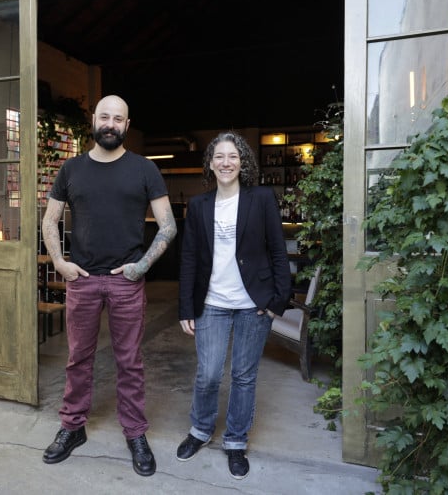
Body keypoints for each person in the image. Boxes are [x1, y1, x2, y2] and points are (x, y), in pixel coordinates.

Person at [40, 95, 177, 477]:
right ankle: (72, 427)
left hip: (125, 283)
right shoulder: (72, 169)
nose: (111, 124)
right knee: (77, 359)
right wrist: (60, 263)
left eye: (118, 119)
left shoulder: (144, 169)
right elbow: (50, 220)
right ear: (94, 121)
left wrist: (142, 266)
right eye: (105, 117)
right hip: (82, 281)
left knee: (129, 362)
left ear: (127, 126)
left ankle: (135, 433)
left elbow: (168, 225)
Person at [176, 131, 291, 480]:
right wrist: (185, 306)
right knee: (208, 373)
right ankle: (200, 430)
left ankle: (236, 441)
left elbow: (278, 250)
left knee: (243, 376)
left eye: (233, 156)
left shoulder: (261, 199)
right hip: (211, 303)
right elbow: (190, 257)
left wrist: (277, 301)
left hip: (252, 305)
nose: (226, 163)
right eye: (220, 157)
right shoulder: (199, 205)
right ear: (210, 164)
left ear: (243, 163)